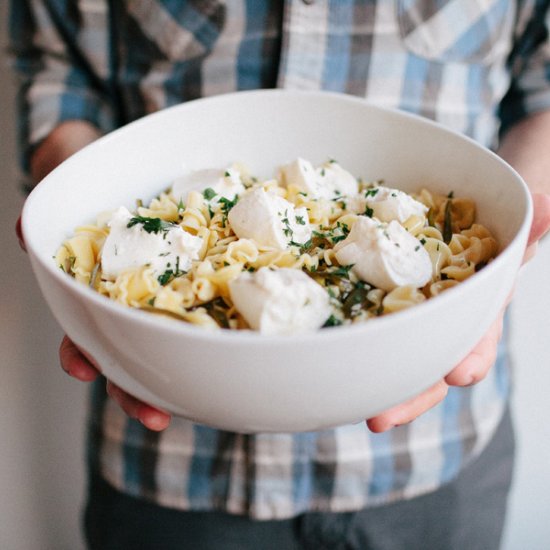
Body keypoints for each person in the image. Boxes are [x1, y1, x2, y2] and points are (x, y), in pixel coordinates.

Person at [10, 2, 550, 549]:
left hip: (438, 455)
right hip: (172, 452)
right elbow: (57, 70)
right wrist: (78, 219)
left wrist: (512, 228)